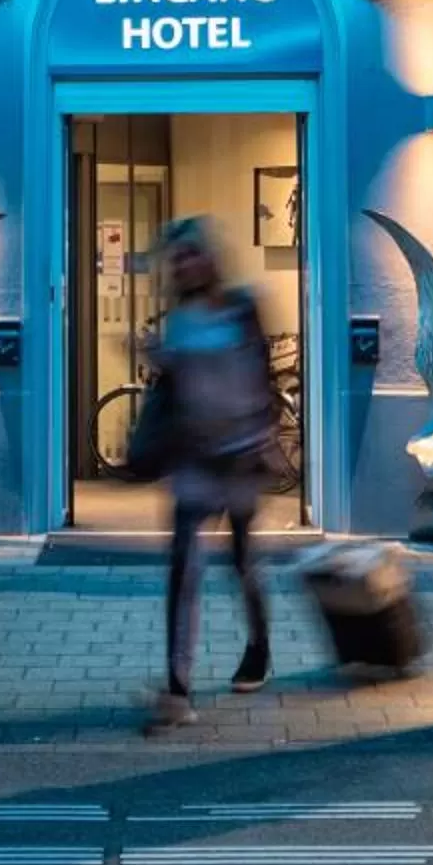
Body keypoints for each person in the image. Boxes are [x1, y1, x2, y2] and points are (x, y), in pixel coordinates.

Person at [142, 217, 281, 730]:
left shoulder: (243, 309)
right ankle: (178, 688)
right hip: (195, 462)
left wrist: (261, 440)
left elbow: (260, 381)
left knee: (243, 560)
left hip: (240, 459)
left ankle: (259, 647)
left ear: (209, 258)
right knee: (184, 569)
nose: (183, 265)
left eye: (190, 254)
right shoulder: (175, 322)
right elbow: (180, 393)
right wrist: (160, 363)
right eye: (175, 259)